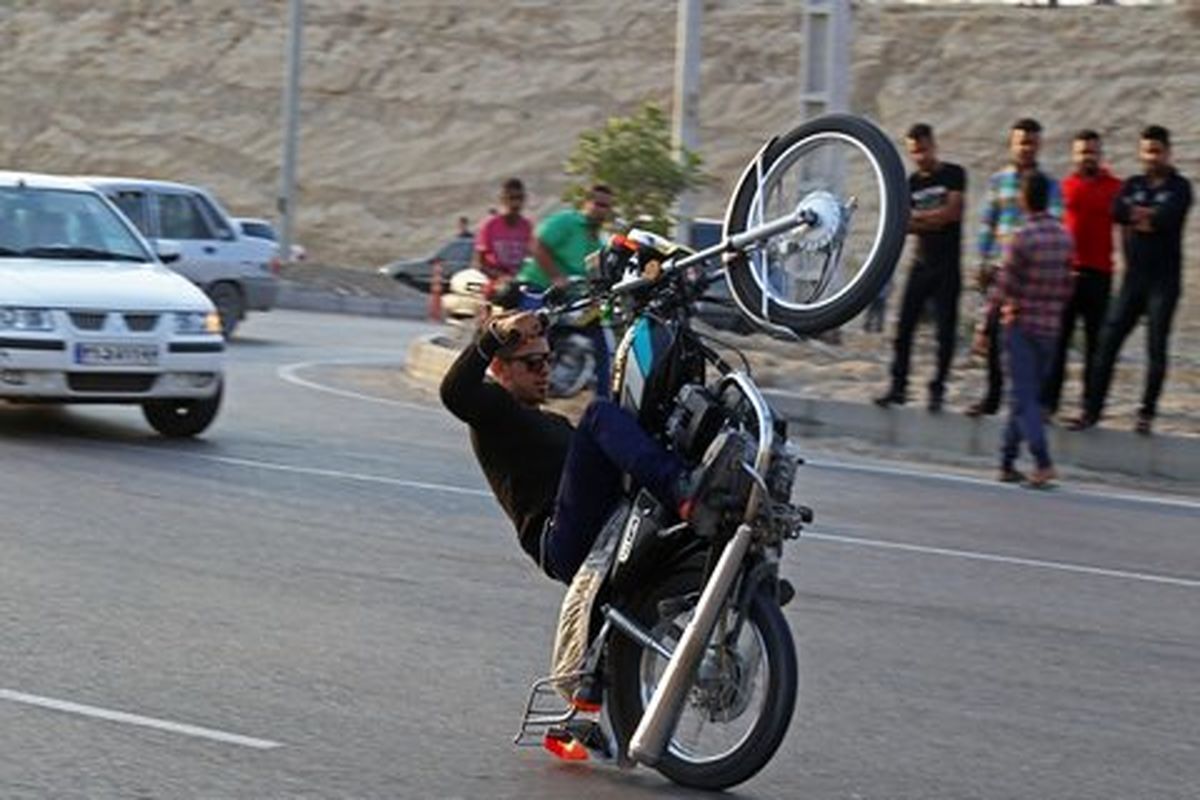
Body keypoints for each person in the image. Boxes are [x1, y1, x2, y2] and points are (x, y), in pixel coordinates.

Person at [439, 310, 751, 585]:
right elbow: (455, 392)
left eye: (548, 359)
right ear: (499, 367)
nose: (545, 370)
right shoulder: (494, 412)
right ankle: (683, 491)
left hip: (593, 514)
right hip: (559, 539)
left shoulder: (551, 421)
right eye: (533, 363)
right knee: (598, 414)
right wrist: (496, 334)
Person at [1069, 125, 1193, 435]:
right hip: (1133, 280)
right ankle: (1091, 410)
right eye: (1146, 151)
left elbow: (1167, 218)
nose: (1151, 157)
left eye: (1157, 151)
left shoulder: (1180, 186)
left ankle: (1146, 413)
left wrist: (1143, 216)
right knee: (1106, 344)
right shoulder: (1134, 183)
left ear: (1167, 152)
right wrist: (1146, 216)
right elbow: (1117, 211)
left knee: (1156, 347)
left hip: (1163, 282)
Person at [982, 172, 1074, 487]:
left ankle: (1043, 462)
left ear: (1023, 199)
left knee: (1025, 397)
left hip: (1021, 326)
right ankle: (1007, 461)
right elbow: (1066, 287)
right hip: (1050, 329)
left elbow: (1002, 287)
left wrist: (985, 326)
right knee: (1024, 397)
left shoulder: (1020, 238)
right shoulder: (1064, 237)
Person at [968, 118, 1062, 418]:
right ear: (1012, 144)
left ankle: (1034, 401)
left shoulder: (1049, 186)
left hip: (1032, 272)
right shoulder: (999, 181)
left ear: (1039, 145)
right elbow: (988, 224)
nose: (1026, 148)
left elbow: (1056, 221)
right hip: (1000, 267)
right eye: (1021, 142)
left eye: (1031, 142)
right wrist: (982, 262)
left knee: (1032, 338)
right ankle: (992, 397)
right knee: (994, 337)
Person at [875, 123, 966, 413]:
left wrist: (920, 219)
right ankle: (898, 387)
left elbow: (952, 213)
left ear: (933, 144)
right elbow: (902, 224)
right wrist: (930, 219)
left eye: (923, 149)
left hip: (948, 266)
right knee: (903, 330)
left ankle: (937, 389)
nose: (919, 156)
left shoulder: (953, 174)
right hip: (920, 264)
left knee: (945, 333)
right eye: (914, 151)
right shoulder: (911, 182)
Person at [1040, 130, 1123, 420]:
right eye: (1082, 152)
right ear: (1074, 155)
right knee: (1058, 343)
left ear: (1100, 154)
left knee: (1095, 347)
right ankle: (1048, 405)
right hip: (1067, 275)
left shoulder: (1116, 187)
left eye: (1092, 151)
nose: (1087, 156)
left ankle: (1090, 409)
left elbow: (1125, 231)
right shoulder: (1063, 187)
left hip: (1100, 275)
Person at [518, 184, 615, 397]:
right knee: (533, 331)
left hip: (568, 300)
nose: (601, 210)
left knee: (602, 337)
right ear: (586, 203)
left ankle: (604, 401)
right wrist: (556, 277)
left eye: (606, 206)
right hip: (540, 288)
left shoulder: (599, 241)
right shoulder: (567, 221)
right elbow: (537, 244)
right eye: (597, 204)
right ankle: (520, 383)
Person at [472, 177, 532, 296]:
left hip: (519, 284)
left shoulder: (526, 226)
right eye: (511, 198)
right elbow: (478, 263)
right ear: (503, 199)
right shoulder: (490, 225)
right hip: (494, 286)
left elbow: (530, 259)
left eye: (519, 198)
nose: (515, 203)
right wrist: (501, 277)